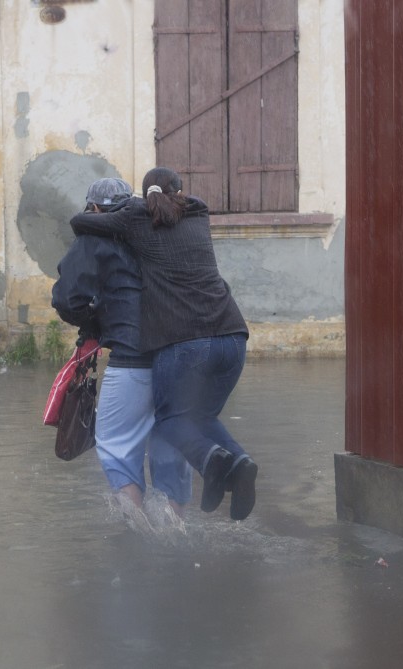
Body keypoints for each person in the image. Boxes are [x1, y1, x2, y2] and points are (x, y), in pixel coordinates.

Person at [69, 167, 258, 521]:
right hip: (233, 336)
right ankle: (235, 465)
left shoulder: (132, 225)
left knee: (165, 424)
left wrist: (92, 323)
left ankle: (207, 467)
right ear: (181, 194)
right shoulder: (198, 215)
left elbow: (82, 225)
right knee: (196, 419)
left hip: (180, 344)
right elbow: (189, 203)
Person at [52, 177, 193, 527]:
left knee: (115, 443)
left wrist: (97, 325)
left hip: (133, 359)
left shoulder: (93, 238)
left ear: (94, 209)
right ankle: (175, 533)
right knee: (171, 445)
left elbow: (67, 299)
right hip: (181, 356)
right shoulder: (157, 231)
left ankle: (139, 537)